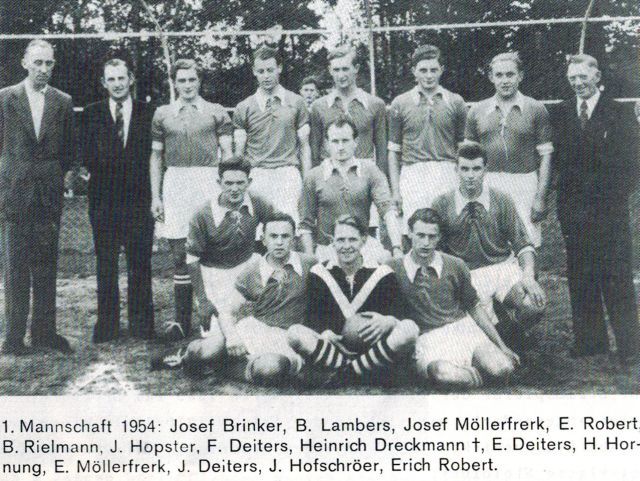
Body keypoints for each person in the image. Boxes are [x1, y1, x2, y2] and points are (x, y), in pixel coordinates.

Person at [152, 214, 316, 385]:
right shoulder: (253, 270)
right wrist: (232, 337)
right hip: (257, 330)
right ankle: (186, 356)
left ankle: (220, 367)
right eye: (273, 236)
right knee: (209, 350)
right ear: (263, 239)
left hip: (290, 337)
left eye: (285, 236)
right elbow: (227, 310)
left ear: (294, 240)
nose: (279, 242)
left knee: (270, 368)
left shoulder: (309, 264)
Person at [553, 54, 640, 364]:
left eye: (583, 77)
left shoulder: (618, 112)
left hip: (609, 211)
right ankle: (590, 342)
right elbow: (561, 163)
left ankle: (629, 347)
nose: (578, 83)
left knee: (616, 276)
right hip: (573, 210)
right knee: (580, 274)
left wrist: (610, 199)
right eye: (573, 78)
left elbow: (632, 163)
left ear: (597, 76)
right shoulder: (563, 112)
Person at [388, 209, 519, 390]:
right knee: (443, 374)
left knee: (503, 368)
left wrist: (501, 346)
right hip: (427, 339)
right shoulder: (393, 268)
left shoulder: (455, 264)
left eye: (432, 236)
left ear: (439, 237)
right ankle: (466, 376)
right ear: (409, 233)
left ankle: (470, 372)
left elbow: (474, 307)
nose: (426, 243)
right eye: (420, 235)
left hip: (462, 330)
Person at [149, 58, 233, 340]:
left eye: (192, 79)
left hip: (207, 182)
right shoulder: (163, 113)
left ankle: (215, 320)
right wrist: (156, 196)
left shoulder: (216, 112)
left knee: (211, 252)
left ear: (200, 81)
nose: (187, 85)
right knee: (179, 255)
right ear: (174, 83)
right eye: (181, 80)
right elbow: (156, 157)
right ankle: (181, 322)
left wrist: (226, 190)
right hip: (176, 183)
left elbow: (228, 155)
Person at [0, 40, 75, 355]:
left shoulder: (63, 101)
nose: (43, 69)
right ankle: (14, 338)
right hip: (15, 193)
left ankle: (44, 333)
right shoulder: (5, 98)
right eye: (38, 62)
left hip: (47, 195)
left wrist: (56, 178)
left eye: (49, 63)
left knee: (46, 266)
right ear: (25, 63)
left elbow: (68, 150)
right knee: (15, 267)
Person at [431, 141, 546, 343]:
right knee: (473, 332)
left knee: (534, 305)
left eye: (476, 169)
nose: (470, 175)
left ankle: (510, 334)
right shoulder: (442, 204)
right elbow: (434, 251)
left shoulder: (501, 199)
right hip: (466, 274)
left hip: (501, 268)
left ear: (485, 169)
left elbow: (523, 244)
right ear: (456, 169)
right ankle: (499, 335)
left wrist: (528, 277)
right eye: (465, 169)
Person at [287, 215, 418, 385]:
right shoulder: (319, 272)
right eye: (341, 240)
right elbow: (312, 317)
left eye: (352, 240)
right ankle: (360, 369)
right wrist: (326, 333)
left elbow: (400, 314)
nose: (346, 246)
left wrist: (388, 321)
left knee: (410, 328)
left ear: (363, 240)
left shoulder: (382, 273)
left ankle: (346, 372)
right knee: (294, 333)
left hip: (373, 347)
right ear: (333, 242)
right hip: (334, 348)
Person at [80, 58, 155, 343]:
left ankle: (142, 324)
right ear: (103, 83)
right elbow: (86, 155)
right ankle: (107, 324)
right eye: (111, 79)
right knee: (106, 264)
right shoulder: (91, 113)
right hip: (104, 202)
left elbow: (153, 156)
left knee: (140, 263)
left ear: (131, 79)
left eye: (121, 78)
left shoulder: (149, 112)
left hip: (139, 201)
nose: (117, 84)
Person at [179, 157, 278, 341]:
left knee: (265, 327)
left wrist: (274, 266)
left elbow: (279, 225)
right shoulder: (203, 214)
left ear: (249, 182)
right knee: (217, 339)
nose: (234, 189)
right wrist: (203, 300)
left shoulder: (257, 201)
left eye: (240, 183)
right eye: (229, 183)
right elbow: (192, 259)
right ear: (219, 183)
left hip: (248, 265)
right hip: (215, 273)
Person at [465, 52, 553, 248]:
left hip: (524, 184)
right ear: (491, 77)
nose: (505, 81)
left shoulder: (536, 109)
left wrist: (540, 197)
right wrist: (469, 192)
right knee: (490, 244)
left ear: (520, 76)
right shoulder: (477, 110)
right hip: (488, 183)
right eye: (499, 75)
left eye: (510, 74)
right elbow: (468, 157)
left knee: (527, 244)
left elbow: (546, 157)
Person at [299, 116, 403, 264]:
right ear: (327, 144)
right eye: (335, 141)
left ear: (355, 142)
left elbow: (387, 210)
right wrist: (311, 260)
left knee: (385, 261)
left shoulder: (370, 171)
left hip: (362, 247)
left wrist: (397, 248)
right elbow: (305, 224)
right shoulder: (314, 176)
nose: (340, 147)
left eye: (345, 140)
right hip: (328, 249)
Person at [387, 45, 467, 231]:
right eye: (423, 70)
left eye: (433, 70)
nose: (429, 75)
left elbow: (463, 148)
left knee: (447, 229)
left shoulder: (455, 102)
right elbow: (393, 151)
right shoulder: (400, 103)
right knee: (412, 229)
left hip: (446, 172)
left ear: (441, 70)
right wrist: (395, 190)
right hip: (413, 173)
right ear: (414, 71)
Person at [233, 45, 311, 231]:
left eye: (270, 70)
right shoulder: (244, 107)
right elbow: (239, 152)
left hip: (287, 173)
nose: (266, 76)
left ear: (279, 68)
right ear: (254, 71)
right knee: (256, 231)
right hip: (258, 174)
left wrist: (307, 182)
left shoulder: (297, 102)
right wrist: (239, 181)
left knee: (289, 227)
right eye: (261, 71)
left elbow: (304, 146)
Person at [309, 45, 387, 172]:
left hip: (363, 175)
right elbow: (314, 152)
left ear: (356, 68)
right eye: (336, 70)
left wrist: (380, 179)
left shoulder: (376, 104)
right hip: (331, 175)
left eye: (345, 69)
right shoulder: (318, 106)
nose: (341, 75)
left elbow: (382, 152)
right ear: (330, 70)